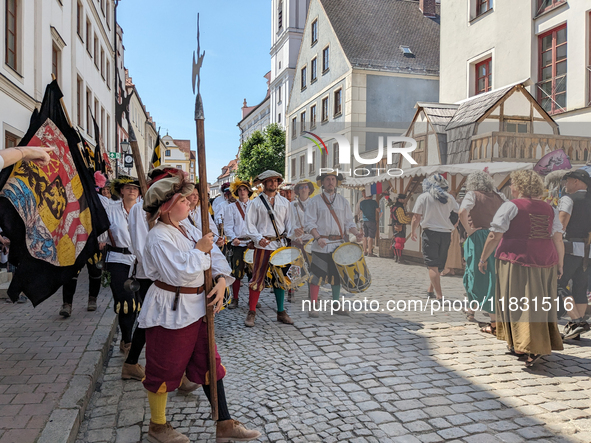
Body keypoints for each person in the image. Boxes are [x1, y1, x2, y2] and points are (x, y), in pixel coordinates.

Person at [138, 170, 260, 443]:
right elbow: (179, 273)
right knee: (163, 366)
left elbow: (214, 256)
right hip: (171, 309)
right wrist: (201, 250)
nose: (190, 203)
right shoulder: (159, 236)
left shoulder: (188, 228)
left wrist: (219, 281)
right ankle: (157, 426)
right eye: (184, 200)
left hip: (199, 307)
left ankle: (224, 421)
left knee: (210, 363)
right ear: (168, 206)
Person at [479, 170, 564, 368]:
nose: (511, 187)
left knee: (518, 301)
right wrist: (560, 263)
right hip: (546, 260)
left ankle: (529, 345)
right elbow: (557, 237)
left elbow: (494, 235)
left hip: (516, 260)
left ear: (520, 186)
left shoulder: (511, 206)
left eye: (513, 183)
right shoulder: (549, 208)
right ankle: (521, 343)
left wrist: (483, 259)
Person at [305, 172, 363, 316]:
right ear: (322, 183)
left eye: (333, 179)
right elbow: (309, 223)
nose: (331, 182)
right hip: (321, 244)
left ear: (336, 182)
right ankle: (313, 306)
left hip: (338, 245)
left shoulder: (343, 201)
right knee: (316, 276)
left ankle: (336, 305)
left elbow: (349, 222)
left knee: (337, 276)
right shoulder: (315, 201)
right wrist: (318, 238)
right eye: (327, 179)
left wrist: (356, 233)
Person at [244, 170, 293, 327]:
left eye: (276, 181)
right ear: (263, 183)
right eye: (270, 181)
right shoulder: (255, 203)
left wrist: (292, 234)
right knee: (257, 279)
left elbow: (290, 224)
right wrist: (258, 238)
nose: (273, 184)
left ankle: (281, 312)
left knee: (280, 279)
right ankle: (251, 312)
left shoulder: (285, 203)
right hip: (262, 246)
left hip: (280, 247)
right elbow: (249, 225)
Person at [59, 172, 110, 318]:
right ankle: (67, 304)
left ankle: (92, 299)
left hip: (94, 241)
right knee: (70, 273)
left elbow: (104, 221)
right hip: (75, 241)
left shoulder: (102, 201)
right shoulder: (73, 199)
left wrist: (102, 239)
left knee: (95, 272)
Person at [458, 171, 505, 327]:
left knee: (474, 272)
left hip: (479, 237)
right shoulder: (500, 196)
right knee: (493, 273)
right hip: (497, 237)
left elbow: (462, 212)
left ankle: (484, 313)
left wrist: (469, 230)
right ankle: (473, 310)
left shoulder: (472, 195)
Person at [104, 176, 141, 355]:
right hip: (117, 259)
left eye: (135, 188)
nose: (132, 190)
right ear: (121, 191)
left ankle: (132, 338)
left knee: (138, 302)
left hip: (139, 260)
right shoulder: (110, 209)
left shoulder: (144, 211)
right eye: (128, 187)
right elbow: (100, 228)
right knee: (126, 302)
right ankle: (127, 341)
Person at [411, 174, 460, 300]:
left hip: (430, 233)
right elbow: (458, 214)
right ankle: (430, 290)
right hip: (445, 234)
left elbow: (416, 217)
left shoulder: (424, 197)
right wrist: (452, 226)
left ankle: (439, 295)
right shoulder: (450, 198)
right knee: (438, 265)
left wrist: (413, 231)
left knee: (432, 265)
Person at [557, 169, 591, 339]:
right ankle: (576, 329)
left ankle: (577, 320)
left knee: (560, 283)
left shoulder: (568, 199)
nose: (566, 184)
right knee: (580, 287)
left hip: (570, 247)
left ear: (576, 181)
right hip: (588, 250)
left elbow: (561, 226)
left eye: (568, 181)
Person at [224, 178, 253, 309]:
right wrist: (233, 237)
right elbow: (228, 226)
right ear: (237, 192)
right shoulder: (231, 208)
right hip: (238, 243)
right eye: (240, 190)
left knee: (253, 274)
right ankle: (235, 299)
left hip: (253, 243)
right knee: (237, 273)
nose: (242, 192)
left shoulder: (255, 206)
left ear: (249, 191)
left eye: (244, 189)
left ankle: (253, 299)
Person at [390, 193, 411, 264]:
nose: (404, 200)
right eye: (403, 199)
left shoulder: (395, 207)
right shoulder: (399, 208)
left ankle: (396, 257)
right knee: (399, 242)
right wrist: (411, 219)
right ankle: (399, 258)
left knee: (397, 242)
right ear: (400, 199)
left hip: (395, 225)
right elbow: (402, 219)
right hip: (399, 226)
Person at [358, 191, 379, 257]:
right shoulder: (374, 202)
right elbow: (378, 210)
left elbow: (361, 211)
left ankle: (365, 251)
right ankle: (370, 252)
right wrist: (381, 211)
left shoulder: (362, 202)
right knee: (371, 236)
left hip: (364, 221)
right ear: (372, 196)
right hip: (371, 220)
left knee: (365, 236)